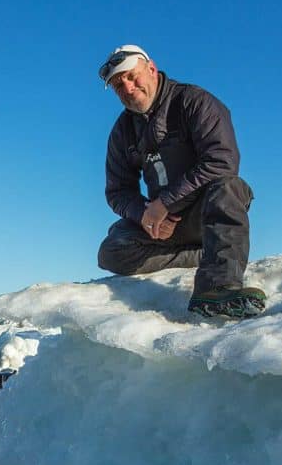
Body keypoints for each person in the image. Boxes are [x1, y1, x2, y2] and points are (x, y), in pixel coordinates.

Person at [97, 44, 266, 317]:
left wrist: (165, 203)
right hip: (161, 225)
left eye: (131, 76)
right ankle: (203, 255)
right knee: (111, 250)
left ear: (151, 68)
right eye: (118, 85)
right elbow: (117, 191)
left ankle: (217, 287)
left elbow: (222, 161)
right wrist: (145, 216)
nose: (127, 88)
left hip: (205, 213)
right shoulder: (122, 130)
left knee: (230, 189)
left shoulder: (194, 101)